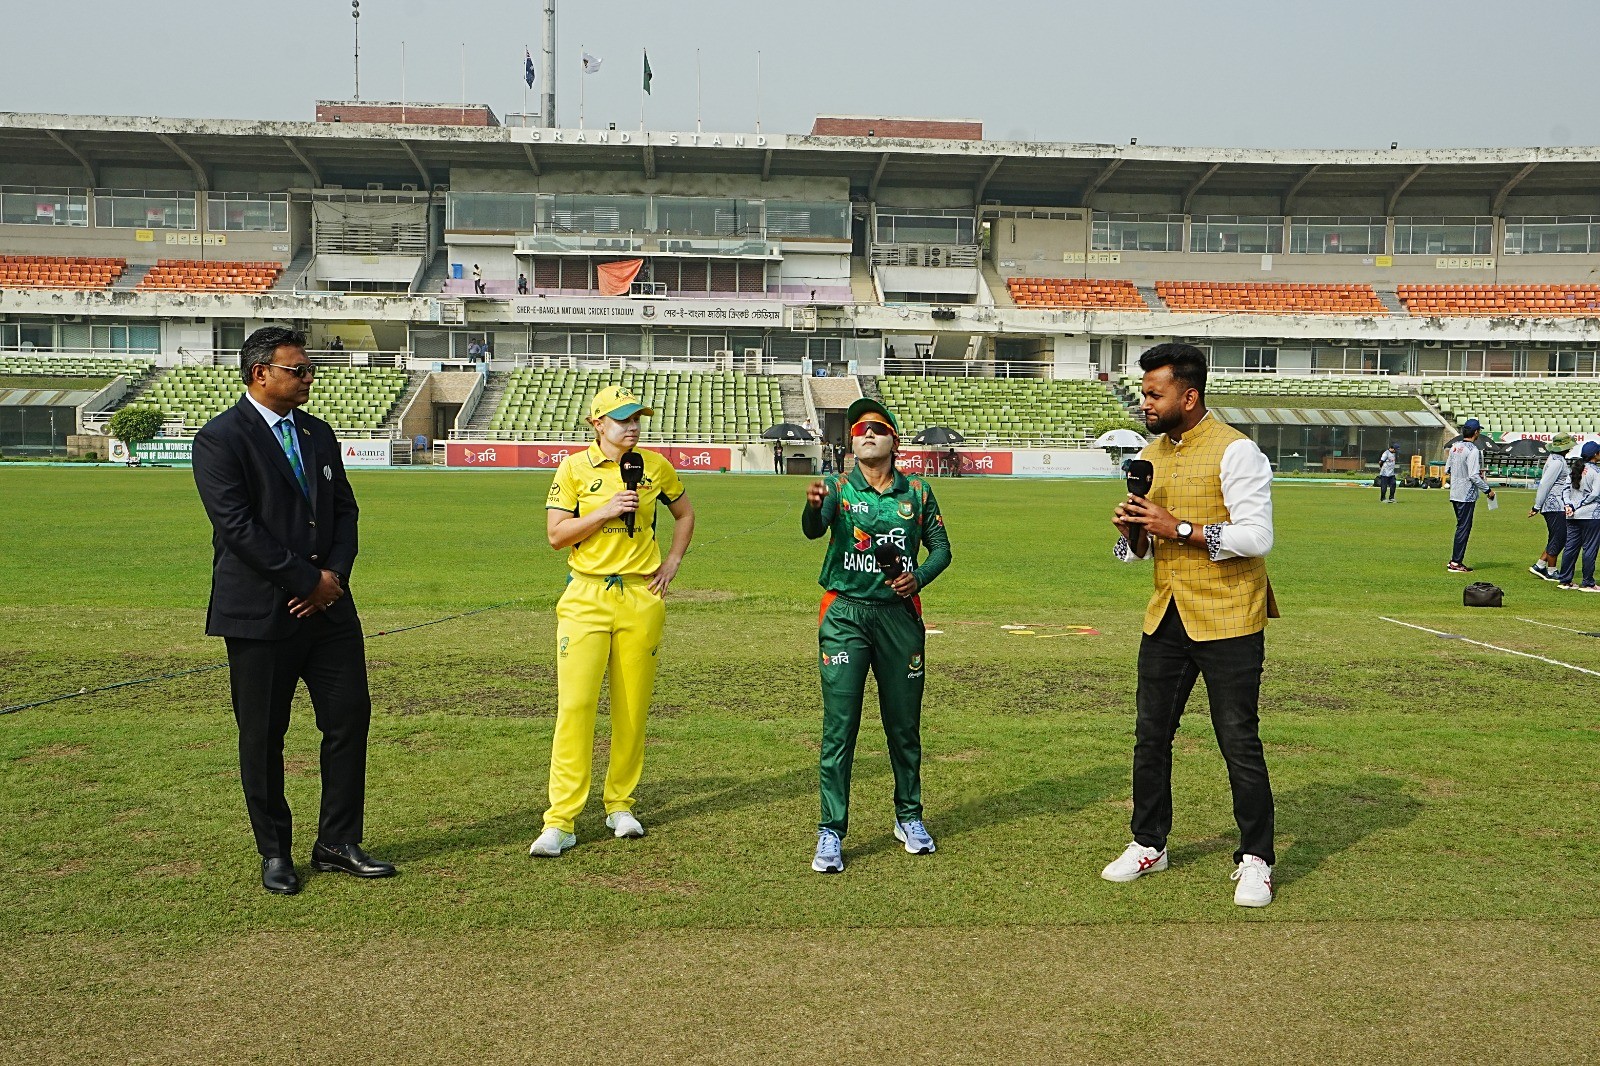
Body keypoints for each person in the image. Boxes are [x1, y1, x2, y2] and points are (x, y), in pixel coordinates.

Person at [191, 326, 395, 896]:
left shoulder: (317, 432)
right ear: (261, 373)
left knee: (349, 719)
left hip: (329, 612)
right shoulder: (221, 439)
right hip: (261, 614)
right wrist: (309, 580)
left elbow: (345, 511)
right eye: (298, 369)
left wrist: (333, 580)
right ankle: (274, 852)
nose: (308, 378)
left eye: (308, 370)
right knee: (262, 735)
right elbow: (236, 529)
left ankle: (337, 842)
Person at [1105, 342, 1278, 908]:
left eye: (1155, 394)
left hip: (1230, 617)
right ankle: (1148, 841)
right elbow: (1132, 555)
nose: (1146, 403)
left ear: (1190, 394)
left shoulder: (1237, 452)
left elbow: (1257, 538)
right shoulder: (1150, 453)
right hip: (1167, 615)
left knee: (1237, 741)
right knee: (1150, 737)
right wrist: (1133, 530)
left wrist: (1176, 528)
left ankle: (1256, 859)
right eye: (1144, 393)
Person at [530, 386, 696, 856]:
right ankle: (560, 821)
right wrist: (604, 511)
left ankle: (620, 805)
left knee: (631, 709)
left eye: (636, 418)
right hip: (586, 596)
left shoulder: (654, 466)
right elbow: (556, 536)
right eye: (621, 419)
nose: (632, 426)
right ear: (597, 423)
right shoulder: (573, 468)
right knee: (576, 708)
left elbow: (684, 514)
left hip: (642, 596)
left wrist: (673, 562)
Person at [801, 397, 953, 874]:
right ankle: (831, 831)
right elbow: (812, 531)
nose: (866, 434)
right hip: (845, 614)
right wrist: (813, 508)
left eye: (877, 428)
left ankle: (908, 818)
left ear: (894, 442)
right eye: (859, 429)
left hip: (898, 619)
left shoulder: (919, 493)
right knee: (839, 728)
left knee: (904, 728)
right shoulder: (836, 488)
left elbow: (942, 550)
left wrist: (918, 577)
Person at [1445, 419, 1496, 573]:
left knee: (1461, 526)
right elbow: (1473, 476)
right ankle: (1456, 562)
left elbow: (1448, 469)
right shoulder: (1473, 450)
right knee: (1464, 528)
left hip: (1455, 492)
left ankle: (1455, 560)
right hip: (1466, 494)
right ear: (1476, 432)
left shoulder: (1455, 447)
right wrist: (1487, 490)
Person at [1529, 434, 1576, 581]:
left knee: (1556, 536)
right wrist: (1536, 506)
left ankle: (1540, 565)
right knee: (1560, 537)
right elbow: (1545, 484)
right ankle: (1551, 570)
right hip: (1555, 505)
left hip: (1555, 505)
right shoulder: (1557, 462)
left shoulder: (1556, 459)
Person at [1555, 440, 1600, 592]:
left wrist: (1568, 505)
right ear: (1595, 455)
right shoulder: (1596, 472)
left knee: (1571, 547)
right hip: (1591, 515)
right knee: (1590, 548)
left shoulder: (1575, 469)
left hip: (1572, 515)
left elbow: (1565, 490)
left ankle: (1565, 580)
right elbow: (1595, 494)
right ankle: (1588, 583)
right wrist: (1578, 505)